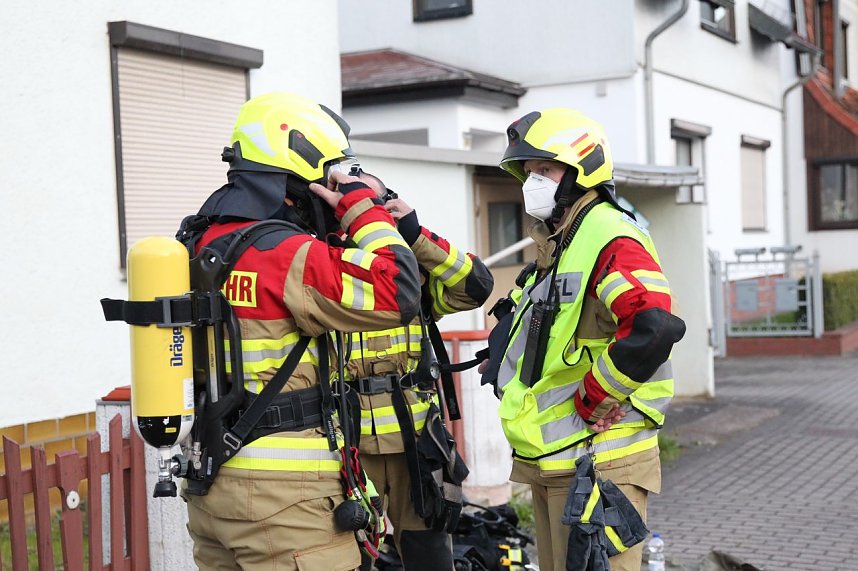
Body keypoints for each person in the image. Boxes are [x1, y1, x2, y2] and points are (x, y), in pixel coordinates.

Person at [180, 92, 422, 571]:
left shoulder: (201, 240)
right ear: (302, 163)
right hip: (283, 504)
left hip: (211, 482)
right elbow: (400, 289)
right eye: (331, 174)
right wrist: (362, 206)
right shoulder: (285, 252)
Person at [485, 108, 686, 571]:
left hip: (602, 463)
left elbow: (654, 326)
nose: (533, 181)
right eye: (530, 172)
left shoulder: (610, 236)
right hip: (554, 461)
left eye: (546, 170)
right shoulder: (561, 239)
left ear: (581, 171)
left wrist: (597, 396)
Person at [344, 171, 494, 571]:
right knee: (349, 556)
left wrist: (414, 233)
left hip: (416, 442)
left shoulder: (411, 272)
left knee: (430, 556)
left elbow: (476, 285)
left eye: (374, 203)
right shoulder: (328, 264)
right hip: (350, 445)